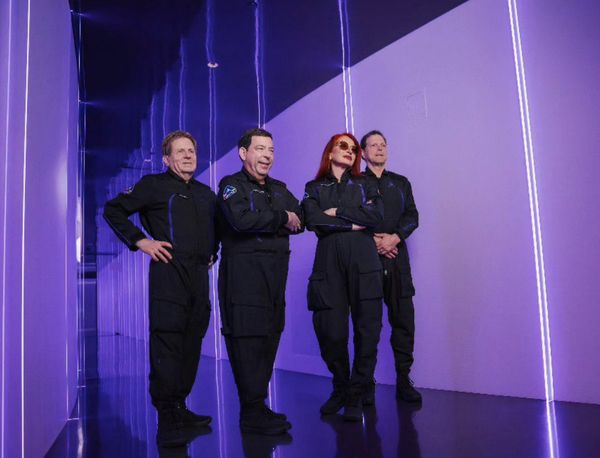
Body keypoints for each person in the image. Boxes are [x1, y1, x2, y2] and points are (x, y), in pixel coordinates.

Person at [103, 131, 216, 447]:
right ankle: (166, 415)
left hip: (198, 277)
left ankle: (180, 406)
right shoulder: (152, 186)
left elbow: (215, 229)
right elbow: (113, 209)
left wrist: (212, 252)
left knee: (192, 341)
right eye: (180, 151)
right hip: (168, 272)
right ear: (166, 159)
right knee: (167, 341)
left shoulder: (206, 194)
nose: (188, 155)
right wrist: (141, 241)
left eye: (191, 150)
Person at [217, 127, 302, 435]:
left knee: (270, 336)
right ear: (244, 153)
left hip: (275, 277)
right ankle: (250, 411)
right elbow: (241, 221)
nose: (267, 155)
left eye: (271, 150)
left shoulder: (279, 188)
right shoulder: (231, 185)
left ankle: (257, 406)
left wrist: (278, 218)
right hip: (244, 278)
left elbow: (302, 218)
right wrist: (281, 218)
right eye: (260, 149)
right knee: (247, 341)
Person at [302, 133, 384, 421]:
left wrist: (337, 212)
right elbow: (313, 220)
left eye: (354, 148)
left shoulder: (366, 184)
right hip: (328, 265)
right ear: (330, 152)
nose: (350, 151)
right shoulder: (313, 187)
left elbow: (375, 217)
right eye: (343, 146)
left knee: (367, 330)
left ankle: (356, 392)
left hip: (364, 263)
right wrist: (352, 224)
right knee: (331, 331)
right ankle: (341, 385)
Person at [360, 130, 421, 403]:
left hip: (397, 259)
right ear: (363, 152)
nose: (379, 148)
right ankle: (365, 383)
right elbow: (349, 218)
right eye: (373, 145)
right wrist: (372, 241)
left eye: (383, 144)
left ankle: (403, 380)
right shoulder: (354, 183)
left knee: (404, 321)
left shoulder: (400, 182)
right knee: (367, 324)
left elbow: (412, 215)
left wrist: (394, 238)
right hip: (367, 262)